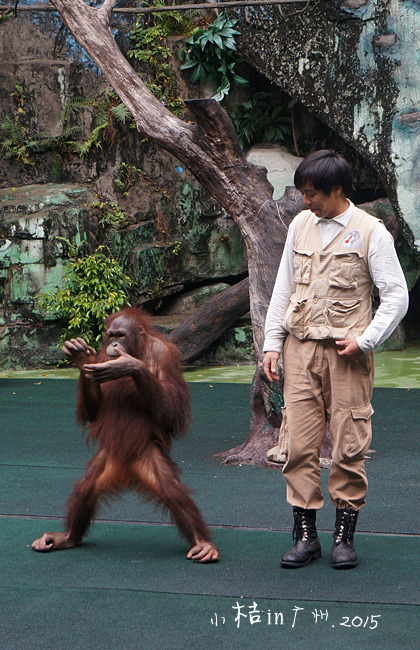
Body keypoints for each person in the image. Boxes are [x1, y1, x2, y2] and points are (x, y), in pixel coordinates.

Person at [263, 150, 409, 569]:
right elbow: (283, 289)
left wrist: (366, 340)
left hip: (348, 354)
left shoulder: (370, 232)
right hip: (300, 349)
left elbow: (395, 294)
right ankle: (305, 536)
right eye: (303, 192)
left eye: (314, 194)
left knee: (349, 443)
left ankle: (344, 538)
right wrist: (273, 345)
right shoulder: (299, 225)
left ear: (338, 189)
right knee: (298, 445)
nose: (307, 200)